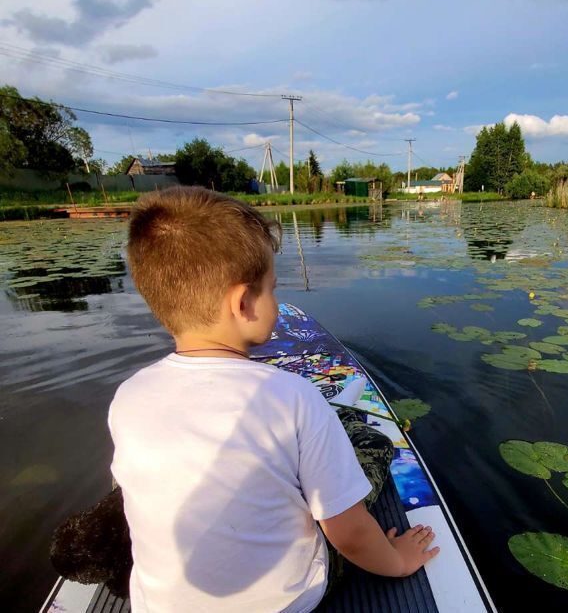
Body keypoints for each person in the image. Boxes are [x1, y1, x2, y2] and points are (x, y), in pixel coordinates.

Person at [107, 186, 439, 612]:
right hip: (288, 599)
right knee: (368, 443)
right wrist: (397, 563)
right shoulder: (293, 398)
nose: (277, 302)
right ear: (243, 303)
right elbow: (349, 534)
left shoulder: (128, 396)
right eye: (272, 289)